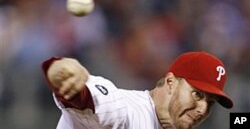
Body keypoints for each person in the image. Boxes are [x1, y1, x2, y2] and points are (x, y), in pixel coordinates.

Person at [42, 51, 233, 129]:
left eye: (211, 103)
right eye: (197, 94)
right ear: (170, 82)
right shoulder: (129, 110)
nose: (203, 109)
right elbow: (87, 98)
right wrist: (65, 74)